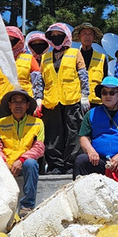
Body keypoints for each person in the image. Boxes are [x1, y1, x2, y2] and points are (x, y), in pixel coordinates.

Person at [39, 22, 85, 174]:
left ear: (66, 36)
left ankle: (71, 165)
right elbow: (40, 80)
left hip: (72, 98)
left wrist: (85, 95)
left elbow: (83, 75)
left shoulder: (75, 53)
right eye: (53, 36)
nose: (56, 38)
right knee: (53, 133)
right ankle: (56, 165)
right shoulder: (45, 57)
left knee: (73, 132)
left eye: (59, 35)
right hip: (51, 100)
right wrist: (38, 98)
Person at [74, 77, 118, 178]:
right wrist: (90, 151)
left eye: (112, 93)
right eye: (104, 93)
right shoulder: (91, 113)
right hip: (98, 160)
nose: (108, 96)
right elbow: (83, 137)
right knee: (81, 160)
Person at [0, 89, 45, 215]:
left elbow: (39, 148)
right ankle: (0, 208)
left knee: (31, 164)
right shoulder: (0, 123)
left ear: (27, 105)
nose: (18, 105)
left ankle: (27, 207)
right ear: (9, 105)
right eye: (14, 101)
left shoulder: (37, 123)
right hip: (5, 165)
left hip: (25, 164)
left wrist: (21, 160)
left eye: (22, 102)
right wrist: (4, 163)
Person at [0, 26, 42, 120]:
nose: (9, 42)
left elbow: (37, 81)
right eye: (6, 39)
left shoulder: (29, 59)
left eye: (12, 39)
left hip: (22, 104)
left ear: (19, 40)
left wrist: (38, 99)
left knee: (23, 133)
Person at [75, 22, 108, 110]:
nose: (87, 36)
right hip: (76, 101)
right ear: (79, 36)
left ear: (94, 37)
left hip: (96, 102)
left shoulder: (101, 58)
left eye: (90, 34)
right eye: (84, 34)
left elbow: (105, 79)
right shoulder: (73, 56)